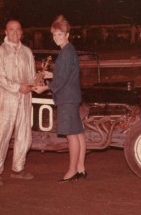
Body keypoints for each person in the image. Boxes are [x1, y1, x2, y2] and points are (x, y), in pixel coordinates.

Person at [33, 15, 87, 182]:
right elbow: (65, 74)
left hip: (67, 98)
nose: (56, 38)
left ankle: (72, 171)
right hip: (72, 97)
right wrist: (51, 74)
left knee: (71, 135)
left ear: (67, 34)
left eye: (59, 34)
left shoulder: (65, 52)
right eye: (54, 34)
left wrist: (45, 87)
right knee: (78, 134)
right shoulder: (69, 50)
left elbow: (62, 79)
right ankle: (81, 168)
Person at [0, 20, 36, 186]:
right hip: (8, 98)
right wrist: (18, 87)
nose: (15, 32)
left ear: (22, 32)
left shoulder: (27, 52)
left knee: (24, 135)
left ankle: (18, 169)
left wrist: (35, 84)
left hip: (25, 99)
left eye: (18, 29)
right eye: (12, 29)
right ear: (6, 31)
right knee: (2, 135)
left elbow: (32, 75)